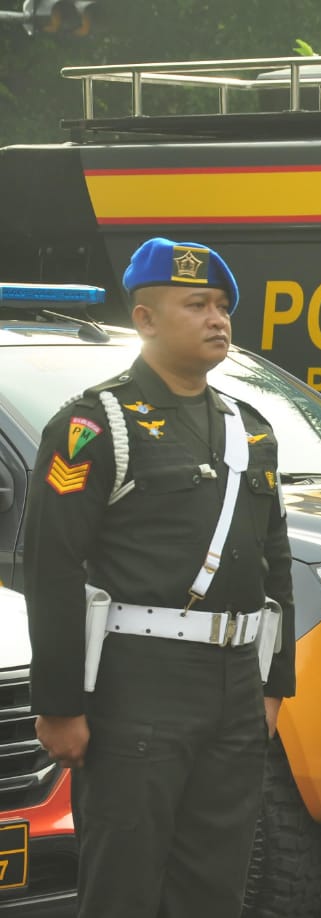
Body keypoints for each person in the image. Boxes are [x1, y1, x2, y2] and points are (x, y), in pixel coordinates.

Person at [25, 237, 296, 917]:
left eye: (223, 306)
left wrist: (273, 687)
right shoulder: (95, 424)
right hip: (137, 680)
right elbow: (53, 566)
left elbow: (276, 562)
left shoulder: (249, 428)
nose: (218, 319)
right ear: (145, 319)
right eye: (196, 304)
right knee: (124, 880)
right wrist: (59, 703)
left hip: (235, 684)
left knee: (215, 883)